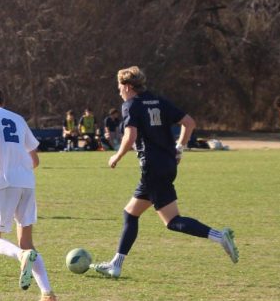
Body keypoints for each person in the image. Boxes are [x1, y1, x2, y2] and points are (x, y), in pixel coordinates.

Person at [91, 66, 239, 279]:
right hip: (167, 164)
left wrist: (116, 156)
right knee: (130, 213)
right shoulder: (158, 100)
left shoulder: (130, 105)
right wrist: (179, 148)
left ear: (129, 86)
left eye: (119, 87)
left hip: (152, 168)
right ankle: (116, 264)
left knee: (171, 221)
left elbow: (130, 136)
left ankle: (219, 235)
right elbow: (189, 123)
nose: (119, 91)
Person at [0, 84, 57, 301]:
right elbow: (35, 159)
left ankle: (20, 256)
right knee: (27, 241)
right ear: (3, 101)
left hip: (5, 182)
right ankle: (48, 294)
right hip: (27, 182)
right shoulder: (18, 118)